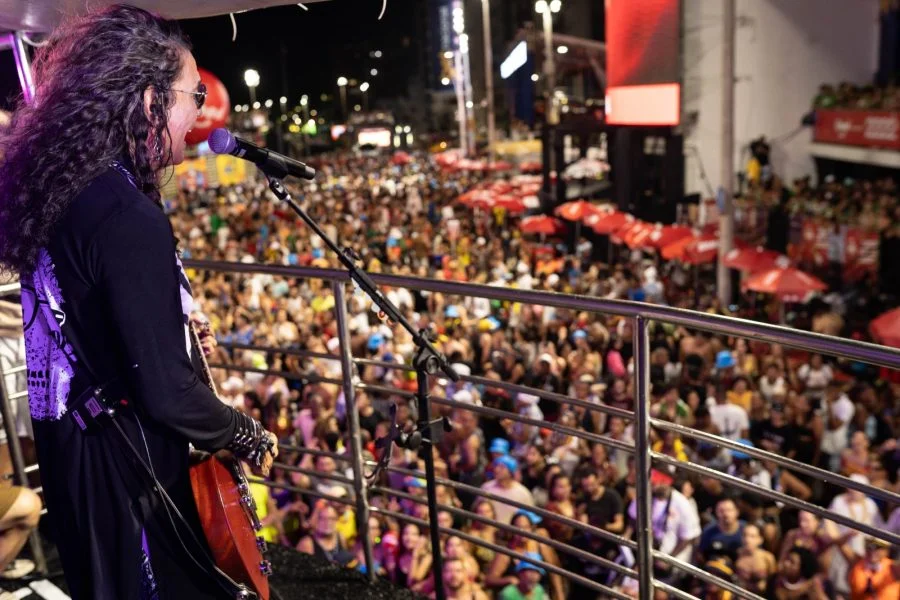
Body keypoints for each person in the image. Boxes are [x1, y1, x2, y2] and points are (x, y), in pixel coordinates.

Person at [0, 6, 278, 598]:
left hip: (73, 449)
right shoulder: (128, 216)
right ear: (149, 100)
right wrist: (243, 431)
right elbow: (166, 389)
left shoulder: (69, 187)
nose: (199, 111)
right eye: (192, 93)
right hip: (126, 468)